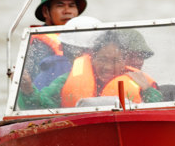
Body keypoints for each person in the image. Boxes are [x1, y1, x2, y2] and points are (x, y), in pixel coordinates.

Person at [18, 29, 162, 109]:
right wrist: (28, 89)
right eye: (102, 59)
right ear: (92, 58)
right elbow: (42, 105)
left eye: (115, 61)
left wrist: (148, 90)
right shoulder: (66, 80)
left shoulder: (139, 81)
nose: (107, 67)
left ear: (125, 61)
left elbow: (159, 111)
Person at [20, 0, 89, 94]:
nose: (67, 11)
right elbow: (34, 86)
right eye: (60, 6)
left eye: (71, 6)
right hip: (52, 101)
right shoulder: (39, 44)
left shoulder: (85, 37)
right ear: (45, 12)